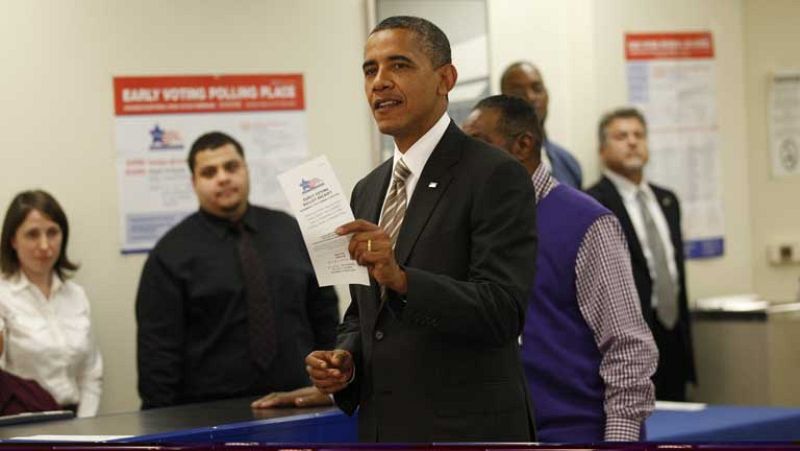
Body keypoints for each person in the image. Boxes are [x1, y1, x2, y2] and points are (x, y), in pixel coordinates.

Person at [304, 16, 538, 442]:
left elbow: (502, 311)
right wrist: (346, 359)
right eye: (370, 70)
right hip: (385, 430)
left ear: (445, 79)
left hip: (468, 431)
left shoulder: (494, 174)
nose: (380, 82)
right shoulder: (368, 189)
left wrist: (404, 279)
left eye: (399, 65)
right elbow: (363, 314)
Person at [462, 95, 658, 442]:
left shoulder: (588, 223)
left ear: (523, 145)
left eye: (478, 144)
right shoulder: (476, 225)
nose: (467, 159)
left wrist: (620, 442)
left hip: (577, 433)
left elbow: (628, 348)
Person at [136, 131, 339, 409]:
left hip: (299, 403)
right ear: (194, 182)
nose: (223, 177)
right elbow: (157, 354)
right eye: (209, 172)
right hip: (210, 415)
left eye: (231, 167)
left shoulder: (291, 231)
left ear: (246, 170)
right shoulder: (169, 254)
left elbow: (325, 315)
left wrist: (332, 389)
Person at [586, 108, 696, 401]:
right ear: (602, 149)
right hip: (628, 341)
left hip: (672, 336)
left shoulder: (667, 199)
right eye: (621, 136)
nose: (632, 142)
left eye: (638, 135)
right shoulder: (591, 203)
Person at [0, 190, 103, 417]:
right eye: (32, 234)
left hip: (77, 419)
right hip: (22, 422)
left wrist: (84, 429)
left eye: (53, 232)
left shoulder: (76, 295)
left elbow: (91, 374)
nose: (45, 245)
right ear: (13, 240)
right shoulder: (2, 298)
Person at [501, 61, 583, 189]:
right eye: (518, 92)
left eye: (537, 89)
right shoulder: (491, 162)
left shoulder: (568, 162)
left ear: (547, 95)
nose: (530, 96)